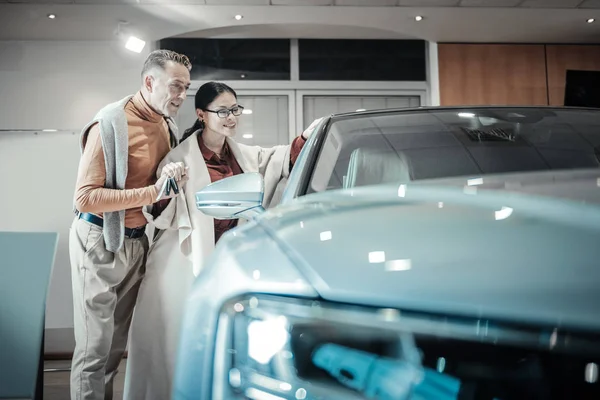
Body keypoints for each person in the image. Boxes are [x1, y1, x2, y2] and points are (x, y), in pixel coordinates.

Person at [123, 81, 322, 399]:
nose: (232, 117)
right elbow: (157, 215)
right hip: (182, 264)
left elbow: (282, 159)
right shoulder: (179, 158)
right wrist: (169, 184)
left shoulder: (245, 156)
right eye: (223, 111)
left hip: (228, 264)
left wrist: (307, 136)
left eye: (235, 109)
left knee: (226, 346)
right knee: (174, 347)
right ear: (202, 114)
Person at [69, 49, 192, 400]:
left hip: (138, 242)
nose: (181, 96)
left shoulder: (167, 126)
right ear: (149, 82)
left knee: (113, 351)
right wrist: (152, 191)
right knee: (93, 351)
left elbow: (159, 192)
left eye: (186, 88)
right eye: (175, 87)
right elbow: (86, 197)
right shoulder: (109, 123)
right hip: (97, 239)